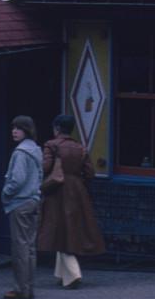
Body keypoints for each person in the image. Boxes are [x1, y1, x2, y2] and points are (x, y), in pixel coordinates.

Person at [38, 114, 105, 289]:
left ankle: (73, 274)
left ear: (57, 128)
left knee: (59, 229)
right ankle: (62, 275)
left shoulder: (51, 145)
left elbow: (45, 167)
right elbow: (90, 173)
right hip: (77, 190)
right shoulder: (81, 148)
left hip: (58, 190)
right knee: (70, 230)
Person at [1, 115, 44, 299]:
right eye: (13, 128)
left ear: (26, 130)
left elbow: (17, 180)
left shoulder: (20, 153)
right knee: (30, 247)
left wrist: (6, 192)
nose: (14, 131)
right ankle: (29, 287)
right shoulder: (36, 150)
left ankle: (20, 289)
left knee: (20, 248)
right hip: (34, 200)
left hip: (20, 202)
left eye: (18, 128)